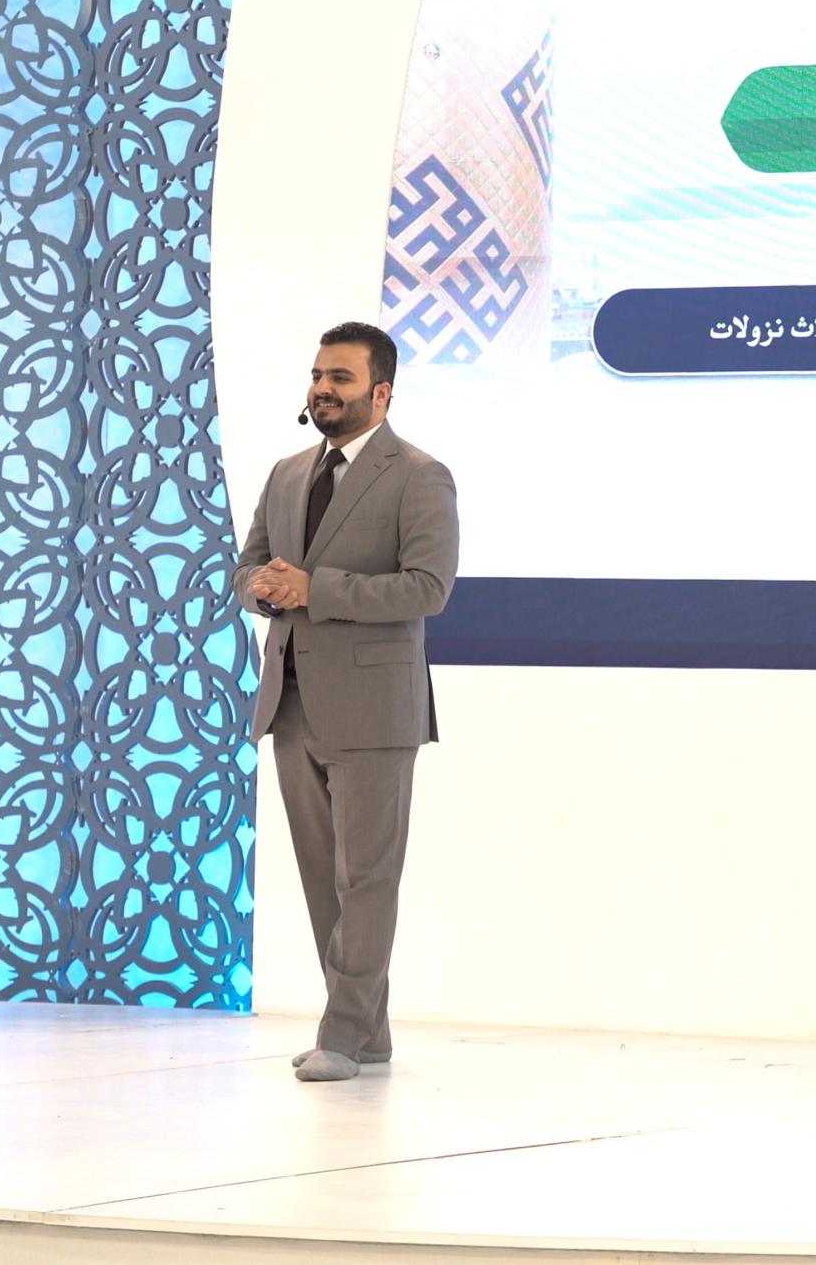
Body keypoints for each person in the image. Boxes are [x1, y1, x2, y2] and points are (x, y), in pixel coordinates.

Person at [233, 321, 459, 1082]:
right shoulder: (287, 473)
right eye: (317, 375)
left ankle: (342, 1033)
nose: (322, 389)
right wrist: (264, 588)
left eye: (341, 377)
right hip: (291, 701)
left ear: (381, 392)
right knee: (322, 876)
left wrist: (315, 589)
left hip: (374, 707)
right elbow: (248, 566)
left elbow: (428, 587)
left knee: (366, 878)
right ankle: (366, 1033)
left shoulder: (420, 476)